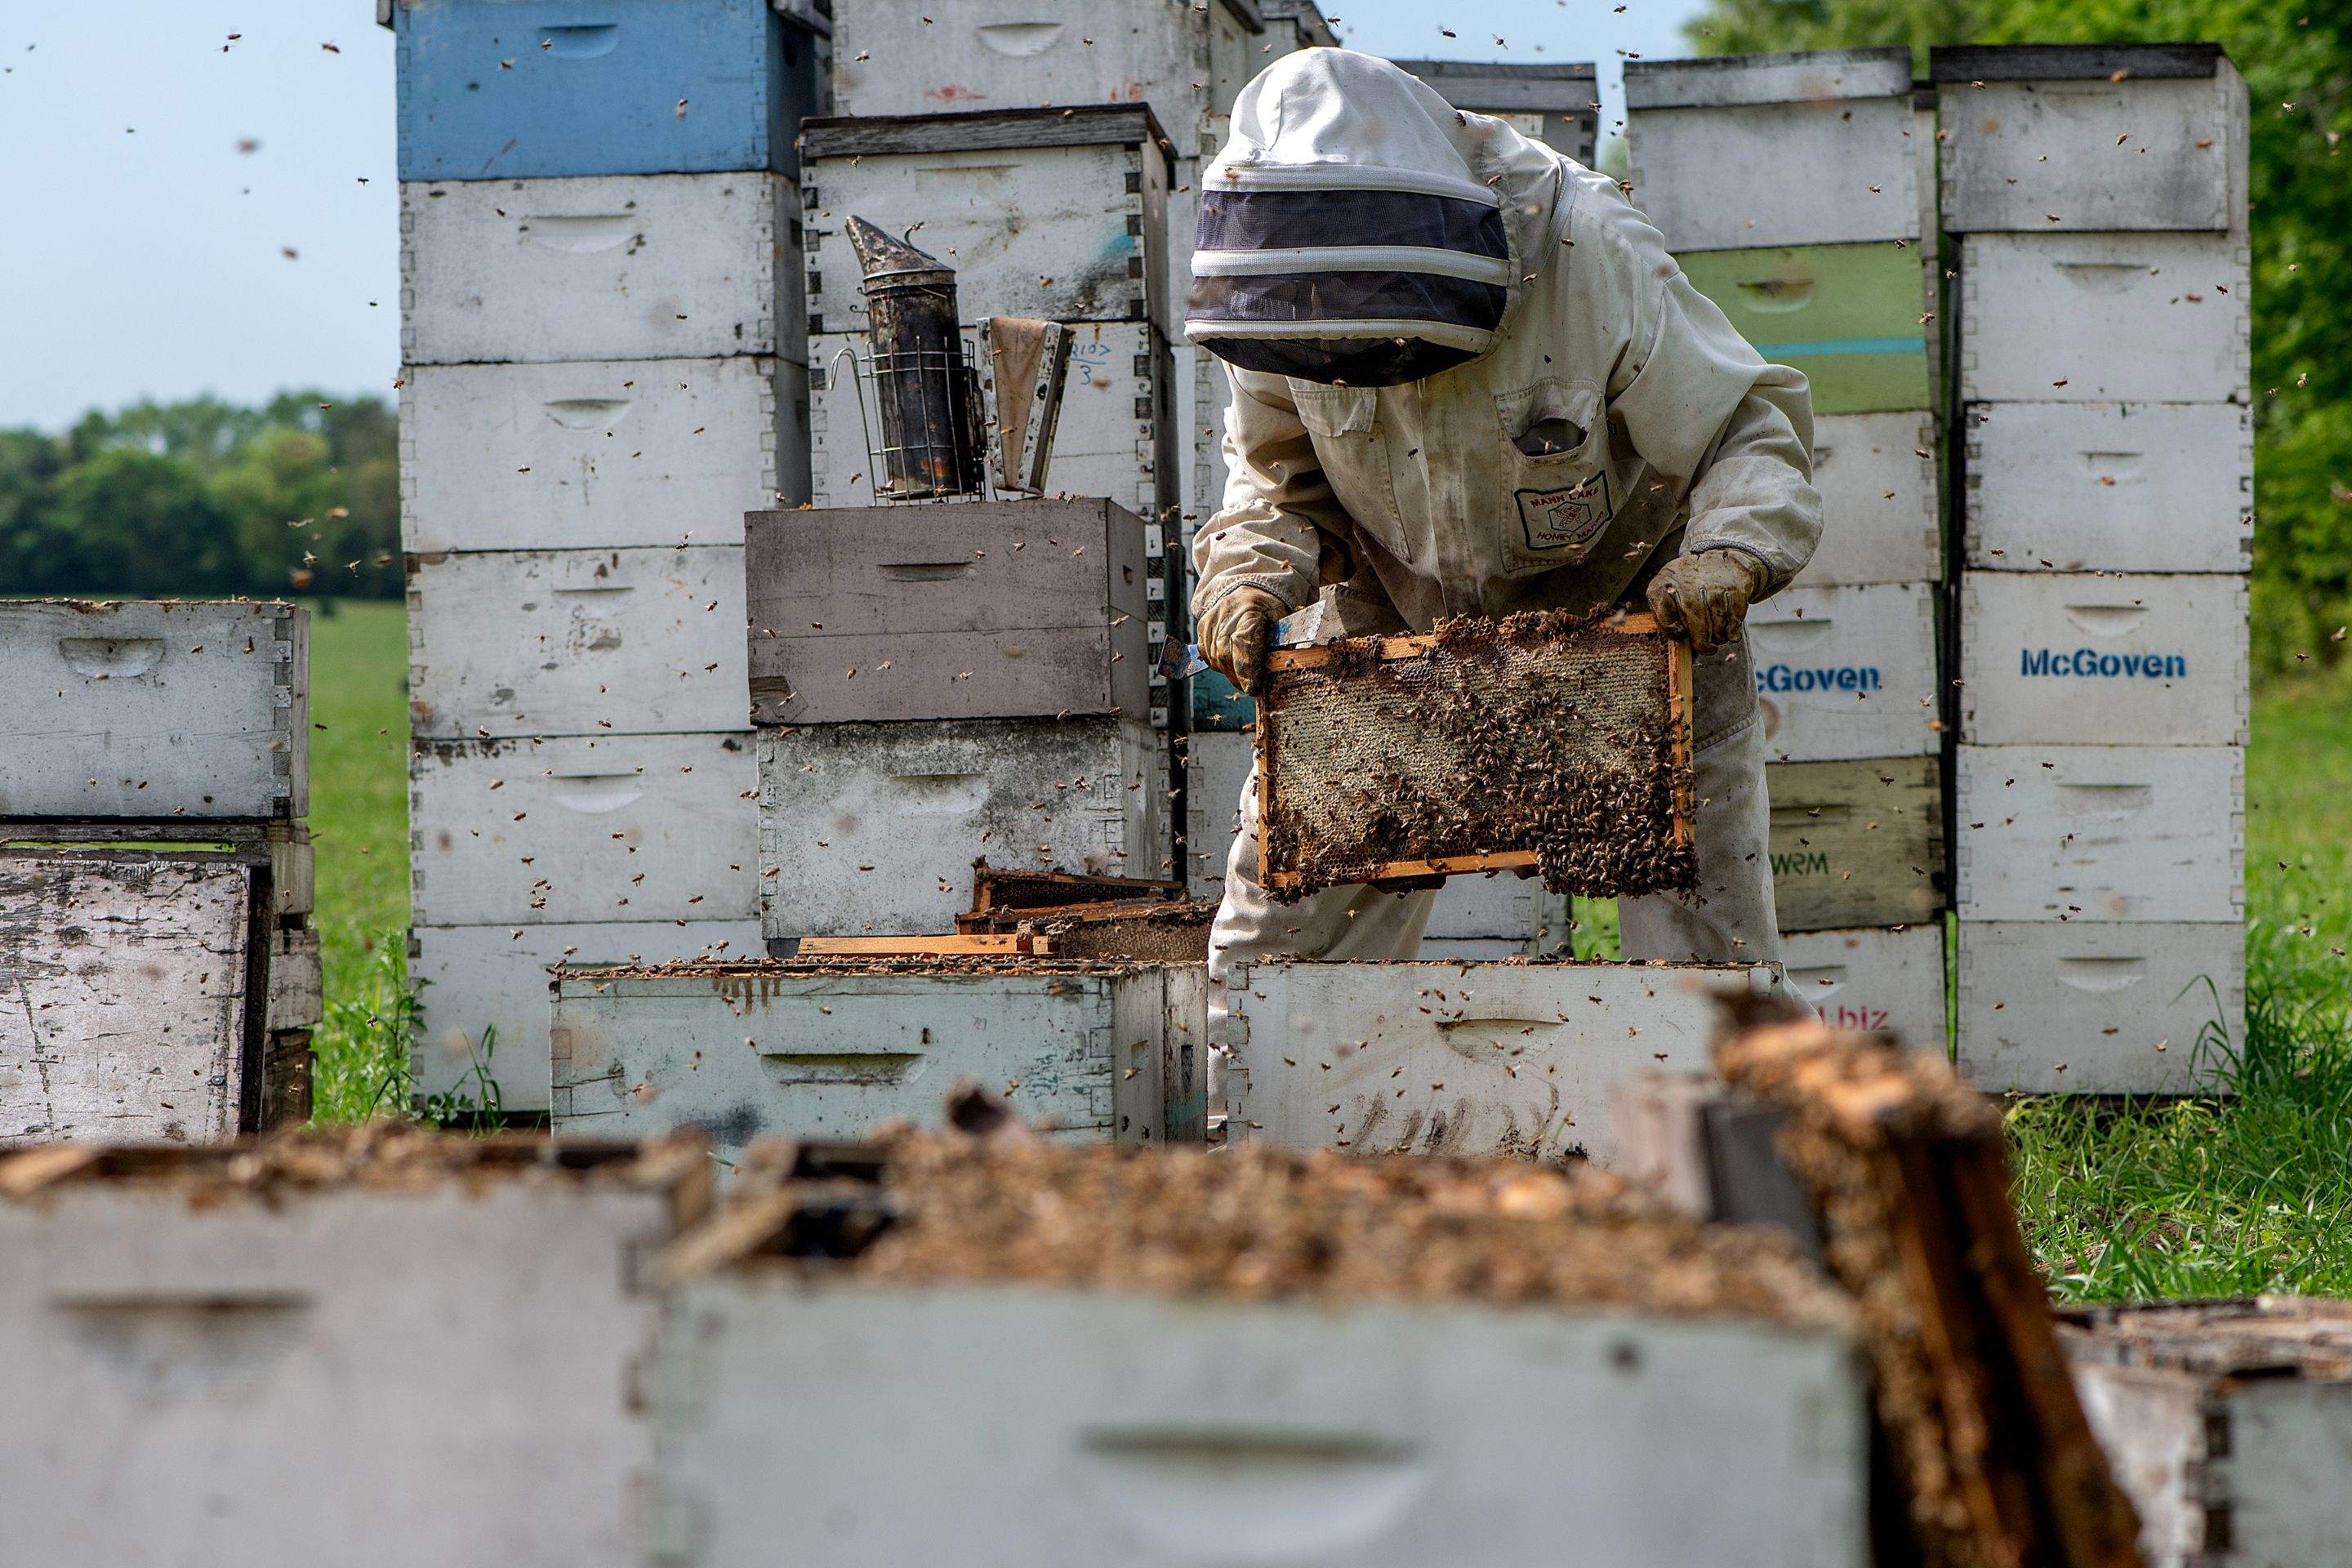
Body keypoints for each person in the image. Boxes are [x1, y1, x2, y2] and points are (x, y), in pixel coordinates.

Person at [1187, 49, 1822, 1000]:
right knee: (1276, 966)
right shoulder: (1284, 286)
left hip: (1637, 625)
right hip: (1388, 625)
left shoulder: (1584, 243)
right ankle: (1281, 1148)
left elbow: (1742, 423)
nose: (1336, 338)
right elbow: (1275, 478)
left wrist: (1731, 550)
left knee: (1709, 975)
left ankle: (1720, 1152)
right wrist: (1246, 572)